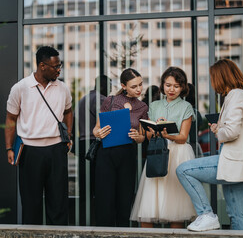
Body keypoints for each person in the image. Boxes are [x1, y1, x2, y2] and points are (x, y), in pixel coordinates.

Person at [176, 59, 243, 231]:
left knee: (183, 170)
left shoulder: (235, 96)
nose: (211, 82)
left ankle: (206, 214)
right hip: (241, 164)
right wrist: (220, 127)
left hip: (233, 160)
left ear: (221, 77)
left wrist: (219, 131)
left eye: (212, 78)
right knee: (237, 214)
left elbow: (232, 132)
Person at [4, 46, 72, 225]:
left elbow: (68, 111)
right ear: (42, 66)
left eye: (60, 65)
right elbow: (11, 119)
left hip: (57, 150)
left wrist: (69, 136)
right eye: (55, 66)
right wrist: (9, 147)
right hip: (30, 152)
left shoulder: (63, 88)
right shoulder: (21, 88)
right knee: (31, 204)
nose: (59, 69)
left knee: (58, 204)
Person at [130, 66, 197, 228]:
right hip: (157, 151)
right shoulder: (154, 106)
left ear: (182, 87)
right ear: (162, 85)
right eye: (168, 85)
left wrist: (167, 135)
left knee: (176, 209)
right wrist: (155, 129)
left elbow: (183, 137)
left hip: (178, 154)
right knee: (149, 205)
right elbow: (147, 135)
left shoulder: (186, 107)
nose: (171, 89)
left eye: (176, 86)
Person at [92, 68, 148, 227]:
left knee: (125, 199)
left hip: (128, 155)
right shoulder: (109, 101)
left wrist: (139, 138)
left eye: (140, 85)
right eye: (133, 86)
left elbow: (142, 137)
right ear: (124, 86)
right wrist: (99, 133)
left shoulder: (142, 107)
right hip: (106, 154)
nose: (138, 89)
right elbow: (96, 129)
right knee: (105, 199)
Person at [77, 75, 111, 225]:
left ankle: (84, 219)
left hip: (82, 144)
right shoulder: (101, 99)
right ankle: (98, 221)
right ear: (103, 85)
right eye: (109, 85)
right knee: (100, 185)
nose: (110, 89)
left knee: (85, 186)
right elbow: (104, 121)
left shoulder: (82, 99)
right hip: (96, 143)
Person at [185, 83, 203, 158]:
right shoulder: (196, 113)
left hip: (185, 147)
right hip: (195, 147)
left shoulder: (180, 112)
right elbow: (198, 130)